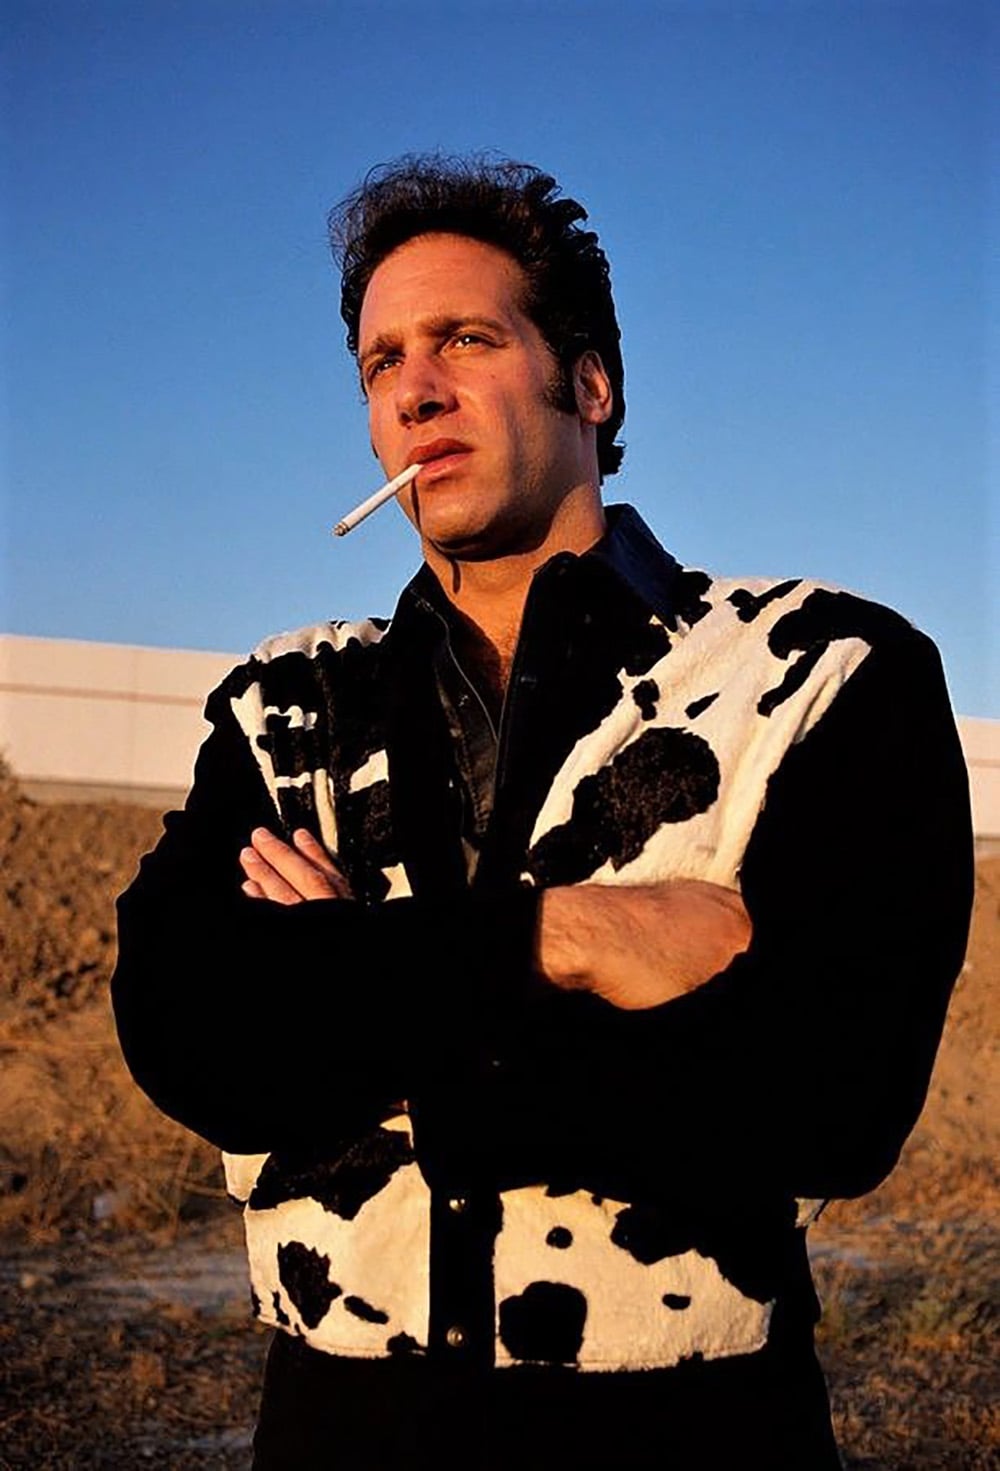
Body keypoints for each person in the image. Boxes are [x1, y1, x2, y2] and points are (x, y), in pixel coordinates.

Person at [112, 155, 973, 1470]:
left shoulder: (821, 672)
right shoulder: (286, 705)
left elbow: (829, 1100)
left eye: (465, 338)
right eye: (381, 362)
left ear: (590, 383)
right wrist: (568, 940)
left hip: (691, 1440)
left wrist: (353, 983)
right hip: (341, 1434)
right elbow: (193, 1038)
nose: (414, 389)